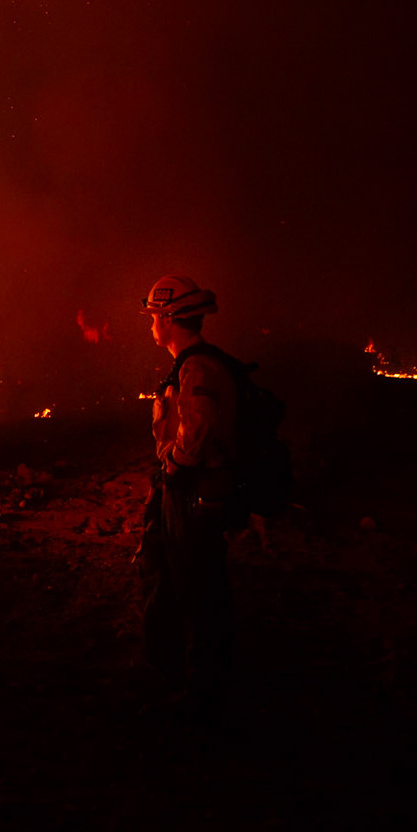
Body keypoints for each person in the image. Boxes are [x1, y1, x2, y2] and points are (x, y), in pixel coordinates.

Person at [138, 275, 238, 714]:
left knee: (195, 586)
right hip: (188, 491)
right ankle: (181, 674)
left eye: (155, 316)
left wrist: (174, 468)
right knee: (176, 578)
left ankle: (205, 690)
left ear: (171, 319)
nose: (151, 325)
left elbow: (194, 433)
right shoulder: (190, 364)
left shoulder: (196, 368)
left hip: (194, 493)